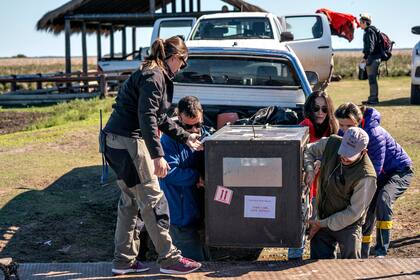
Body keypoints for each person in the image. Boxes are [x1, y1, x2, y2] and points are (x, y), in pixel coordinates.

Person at [101, 36, 203, 275]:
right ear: (176, 57)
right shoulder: (155, 76)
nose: (182, 68)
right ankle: (169, 259)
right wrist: (157, 155)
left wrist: (186, 137)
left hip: (113, 141)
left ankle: (123, 261)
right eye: (183, 63)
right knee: (154, 200)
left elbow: (160, 118)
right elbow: (147, 117)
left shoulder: (150, 72)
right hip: (129, 143)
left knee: (130, 202)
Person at [334, 103, 413, 258]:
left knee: (383, 200)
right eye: (341, 125)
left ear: (359, 121)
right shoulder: (344, 133)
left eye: (348, 125)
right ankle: (363, 252)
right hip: (378, 175)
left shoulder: (374, 134)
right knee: (366, 208)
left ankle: (381, 251)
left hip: (398, 171)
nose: (344, 130)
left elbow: (375, 169)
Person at [305, 127, 377, 259]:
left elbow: (353, 212)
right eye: (343, 151)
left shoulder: (367, 177)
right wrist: (309, 168)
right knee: (318, 270)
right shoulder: (331, 143)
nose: (344, 157)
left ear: (363, 152)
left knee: (350, 269)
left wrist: (322, 223)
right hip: (322, 217)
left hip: (348, 225)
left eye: (350, 154)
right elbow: (308, 150)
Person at [288, 91, 338, 260]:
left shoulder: (335, 129)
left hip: (325, 189)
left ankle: (320, 261)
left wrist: (322, 162)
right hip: (305, 187)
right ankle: (293, 260)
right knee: (299, 225)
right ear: (309, 108)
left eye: (324, 109)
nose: (320, 112)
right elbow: (299, 155)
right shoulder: (304, 126)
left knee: (321, 228)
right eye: (316, 108)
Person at [160, 96, 211, 261]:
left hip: (198, 211)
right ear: (179, 117)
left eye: (198, 124)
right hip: (180, 215)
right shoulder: (168, 140)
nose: (195, 130)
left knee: (204, 259)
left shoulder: (205, 134)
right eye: (189, 127)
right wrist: (197, 176)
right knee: (193, 263)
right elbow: (169, 172)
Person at [359, 13, 382, 105]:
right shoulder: (371, 30)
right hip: (374, 58)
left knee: (372, 79)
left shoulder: (369, 31)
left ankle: (373, 99)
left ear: (365, 22)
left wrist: (365, 57)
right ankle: (372, 98)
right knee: (372, 79)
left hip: (372, 58)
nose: (359, 24)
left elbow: (370, 47)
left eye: (360, 22)